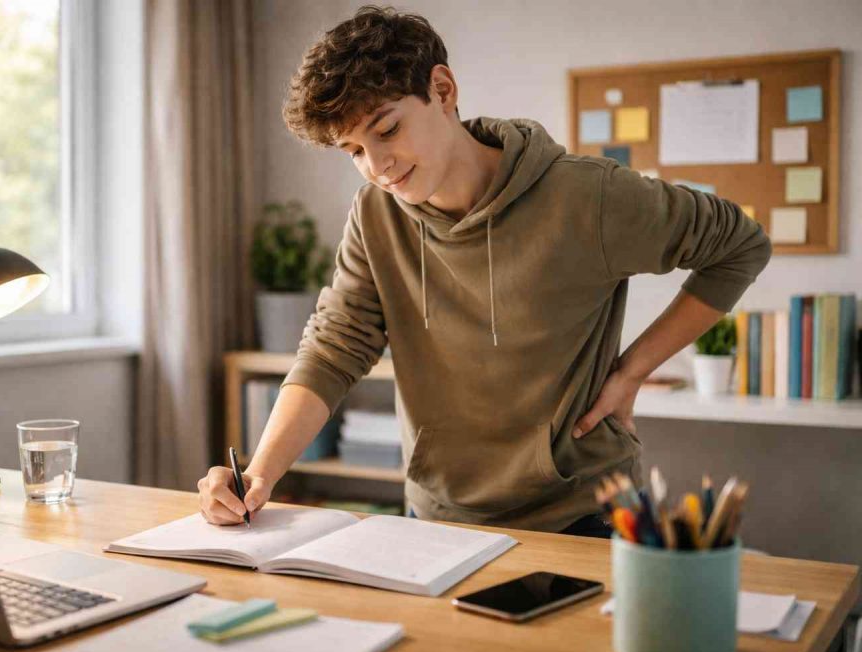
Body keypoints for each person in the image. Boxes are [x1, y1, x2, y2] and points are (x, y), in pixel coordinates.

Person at [197, 5, 771, 538]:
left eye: (387, 130)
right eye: (353, 151)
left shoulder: (586, 197)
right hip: (438, 518)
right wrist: (259, 474)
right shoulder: (375, 215)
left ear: (442, 90)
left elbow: (739, 245)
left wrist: (632, 372)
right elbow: (333, 347)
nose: (378, 166)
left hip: (583, 514)